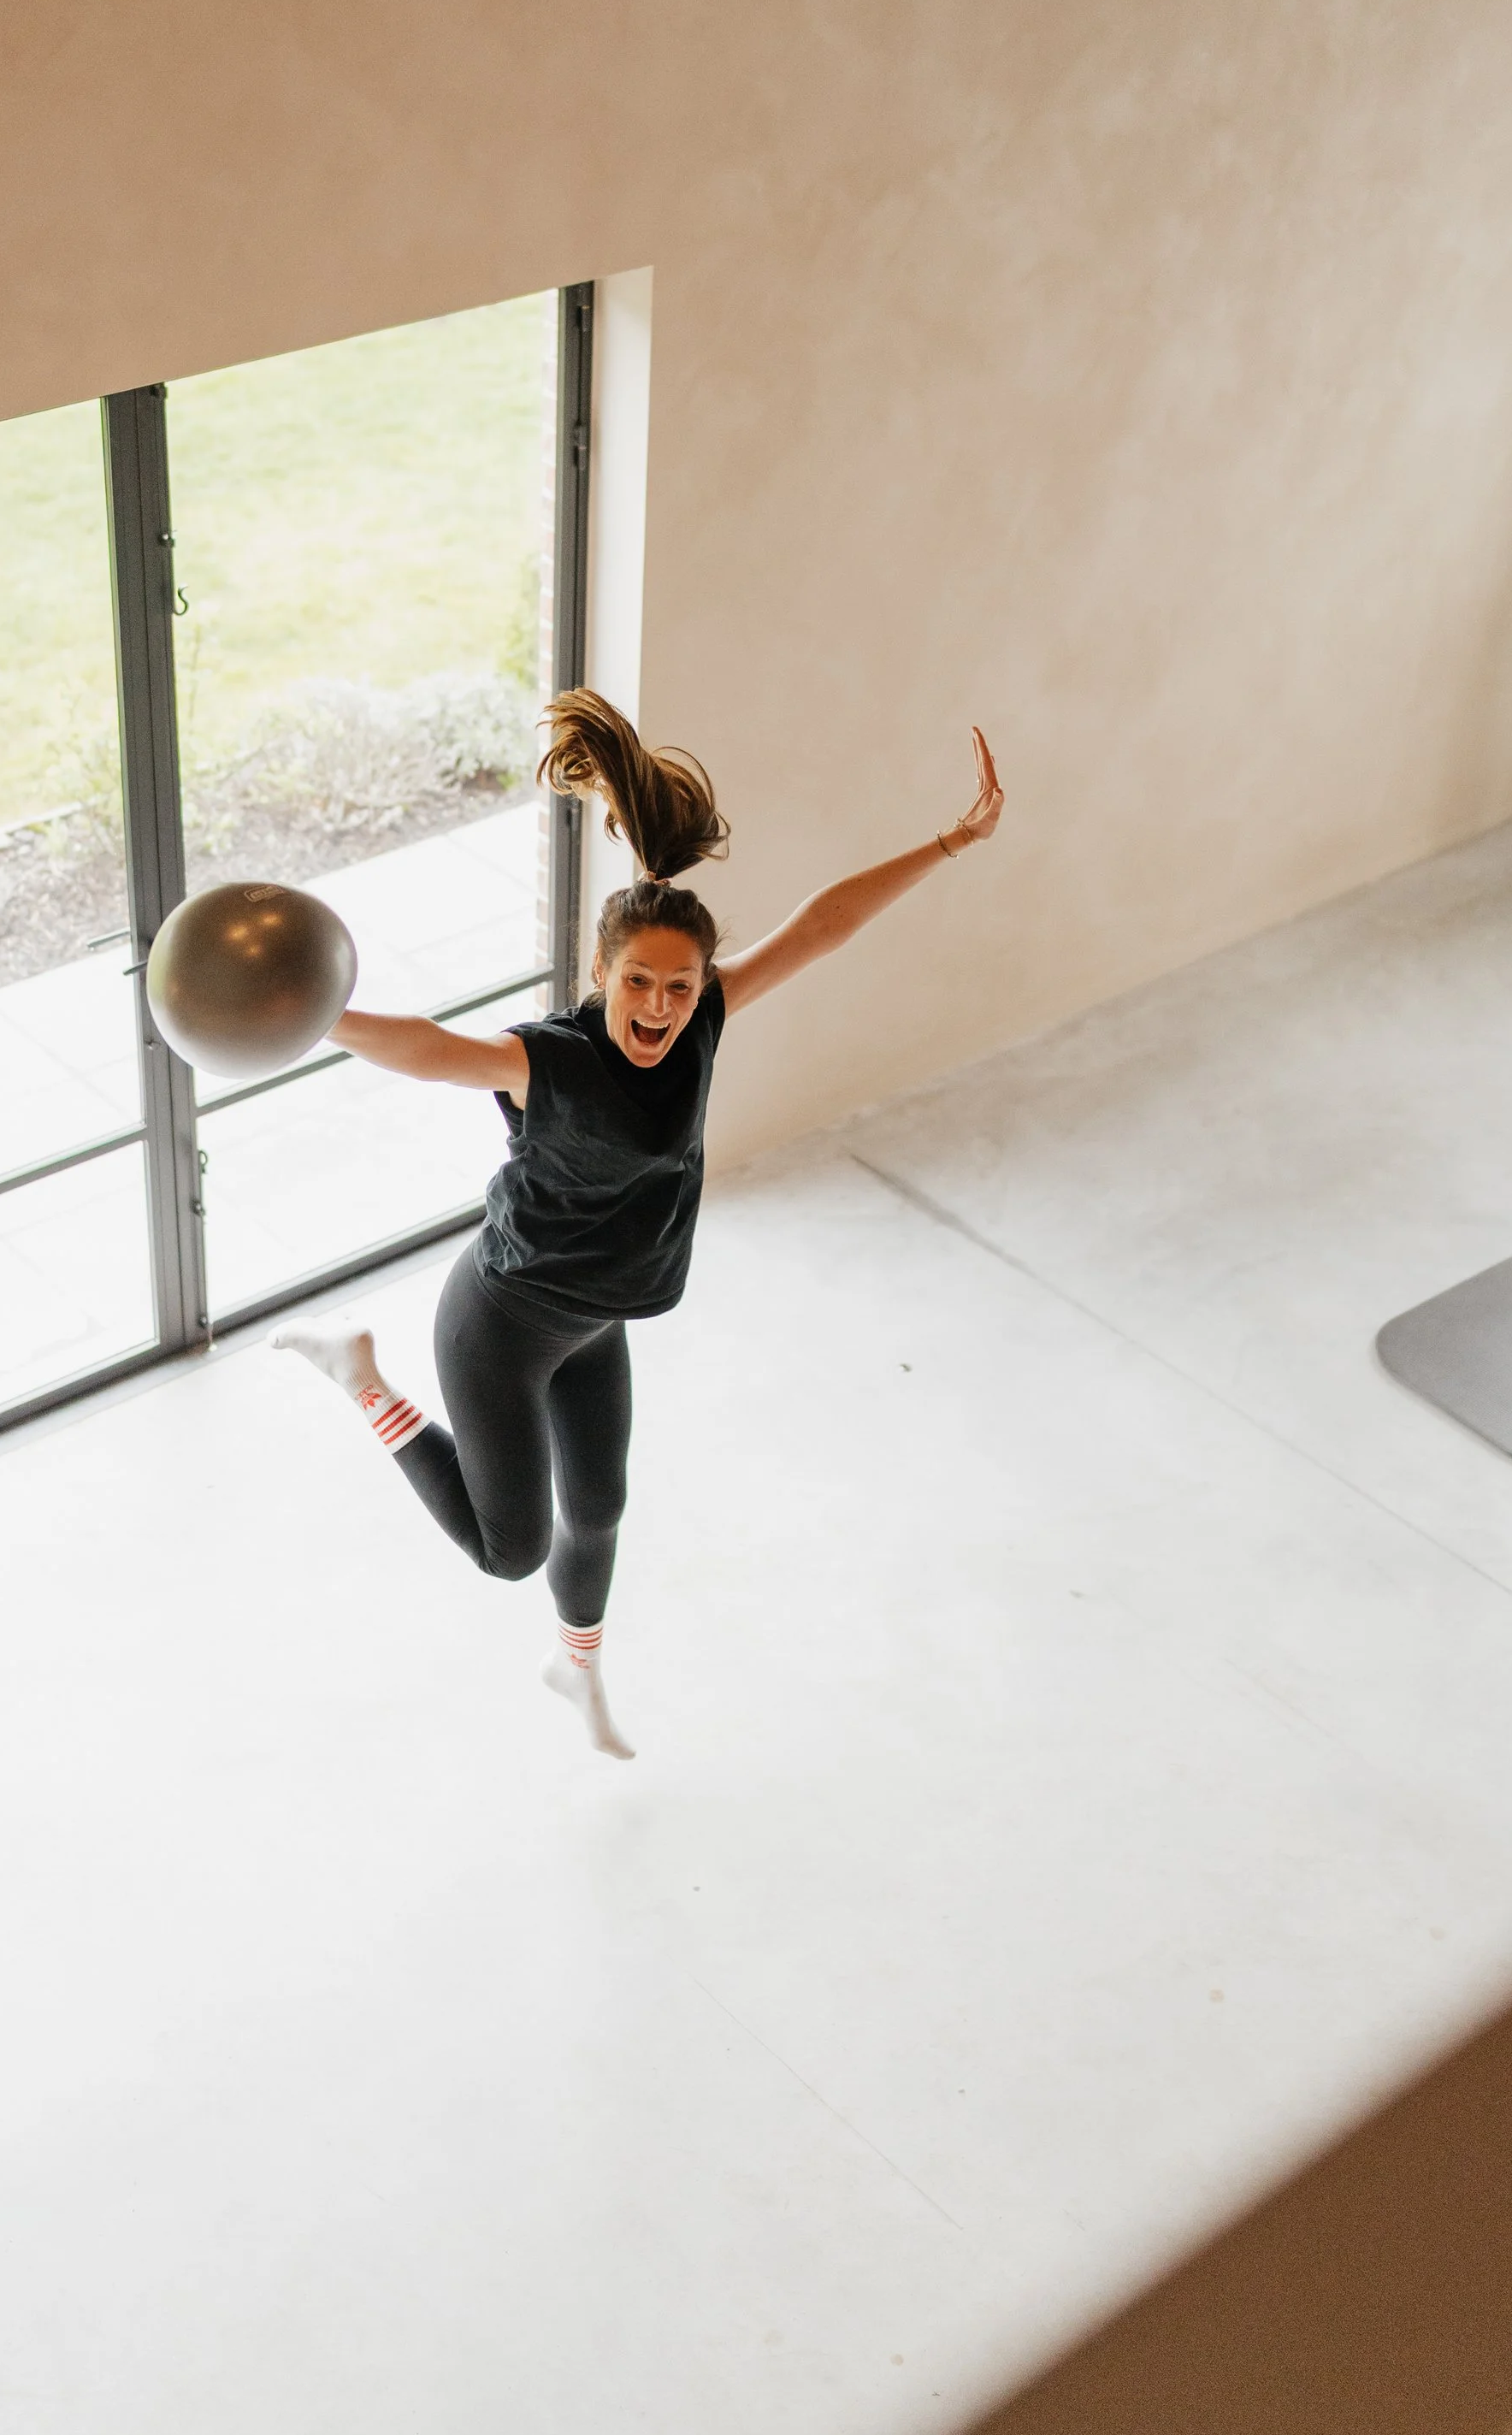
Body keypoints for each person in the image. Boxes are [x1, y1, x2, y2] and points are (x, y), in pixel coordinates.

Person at [275, 690, 1005, 1757]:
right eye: (637, 985)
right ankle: (361, 1379)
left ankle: (575, 1671)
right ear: (598, 978)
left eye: (678, 984)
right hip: (502, 1324)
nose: (659, 1006)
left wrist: (951, 841)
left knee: (603, 1509)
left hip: (597, 1318)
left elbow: (821, 927)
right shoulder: (550, 1063)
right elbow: (431, 1046)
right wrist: (316, 1017)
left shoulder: (704, 1017)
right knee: (507, 1552)